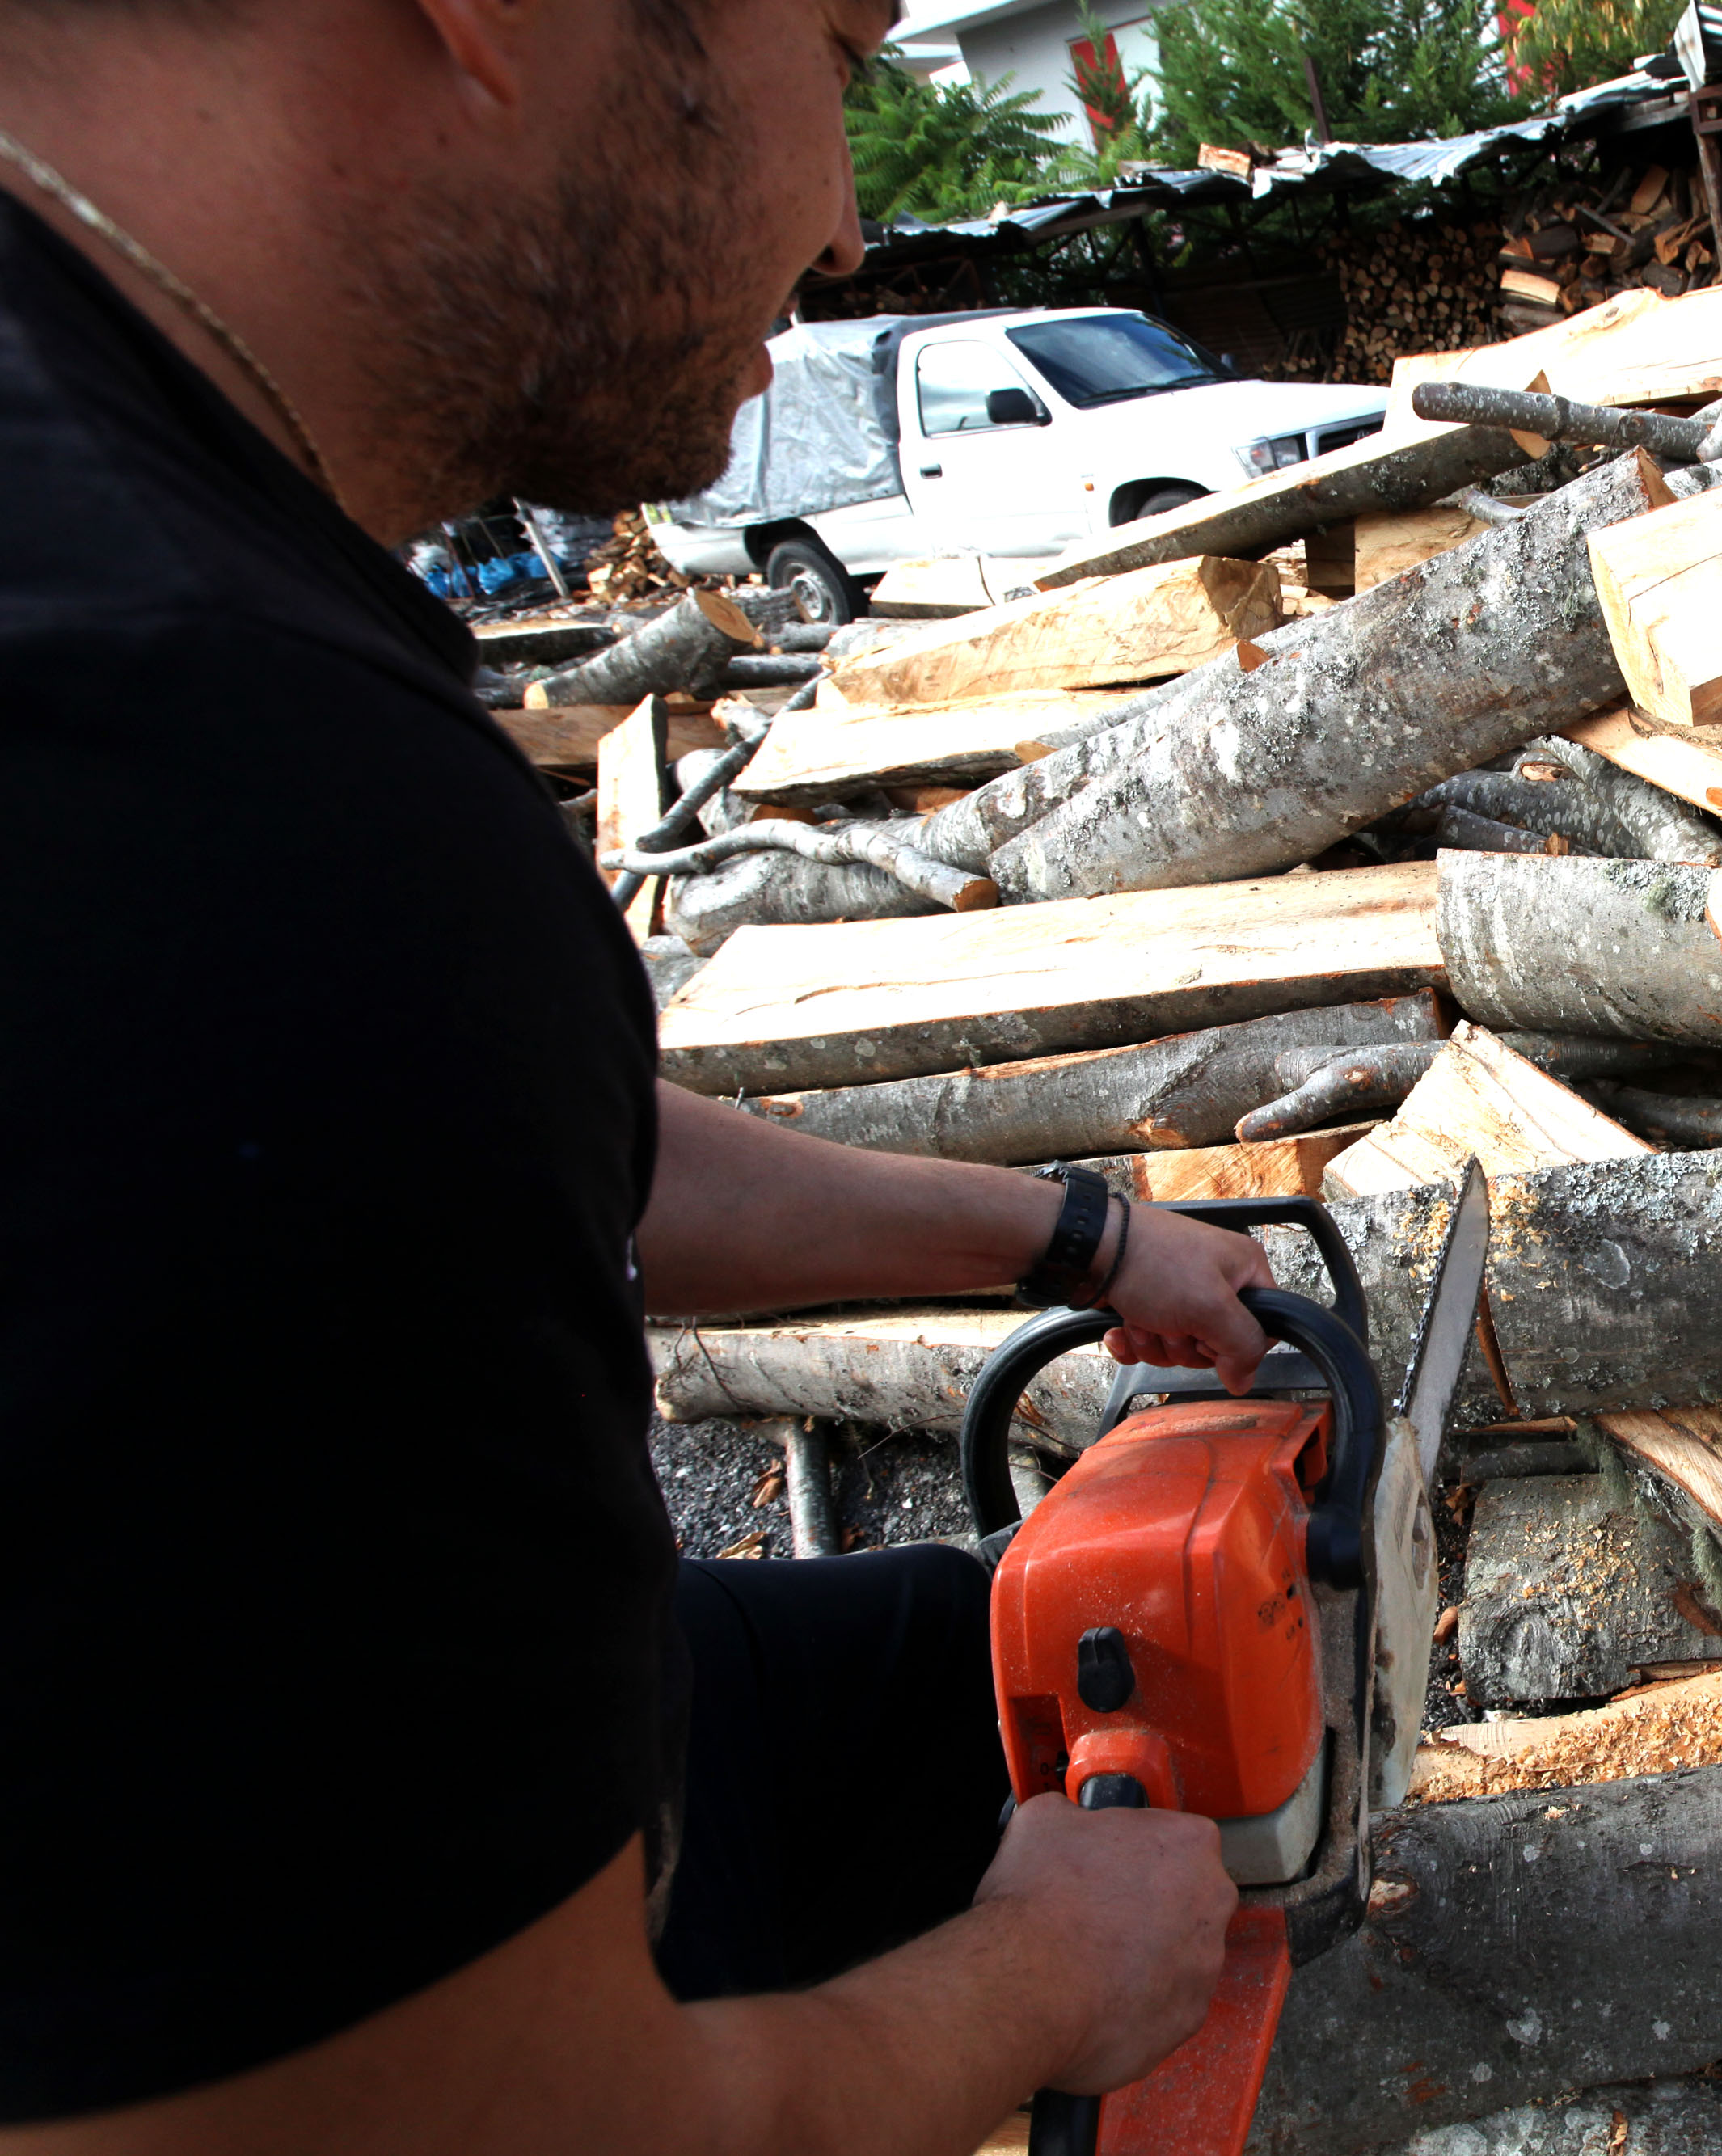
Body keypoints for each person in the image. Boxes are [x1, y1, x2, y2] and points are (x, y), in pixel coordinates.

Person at [0, 4, 1271, 2148]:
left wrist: (1070, 1230)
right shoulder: (219, 794)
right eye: (843, 47)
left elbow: (449, 1152)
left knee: (946, 1669)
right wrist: (1045, 1972)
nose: (849, 222)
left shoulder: (134, 600)